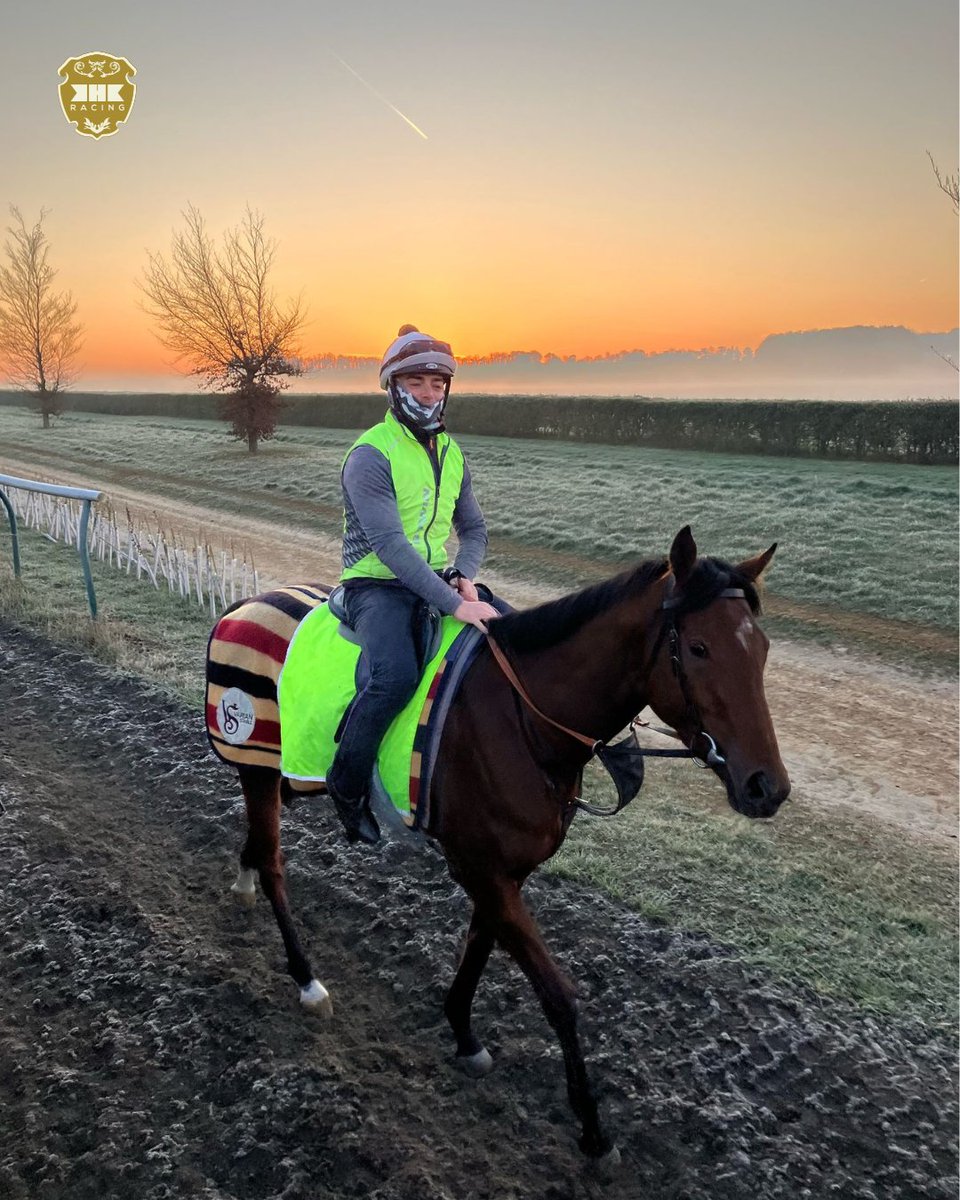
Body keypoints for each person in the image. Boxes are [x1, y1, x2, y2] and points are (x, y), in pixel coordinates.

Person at [326, 324, 500, 845]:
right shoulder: (369, 454)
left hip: (438, 579)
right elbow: (391, 547)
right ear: (393, 386)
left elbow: (475, 528)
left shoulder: (452, 453)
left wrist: (465, 576)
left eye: (437, 384)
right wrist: (453, 603)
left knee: (512, 641)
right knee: (395, 677)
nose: (429, 394)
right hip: (375, 585)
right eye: (418, 382)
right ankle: (347, 785)